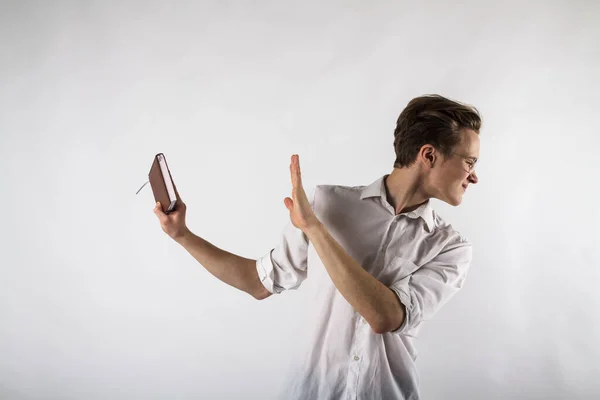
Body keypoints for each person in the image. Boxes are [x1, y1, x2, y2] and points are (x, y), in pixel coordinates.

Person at [154, 94, 481, 400]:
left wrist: (315, 229)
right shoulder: (326, 203)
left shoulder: (450, 248)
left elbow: (385, 317)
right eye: (469, 162)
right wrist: (183, 235)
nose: (474, 176)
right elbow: (258, 282)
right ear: (428, 155)